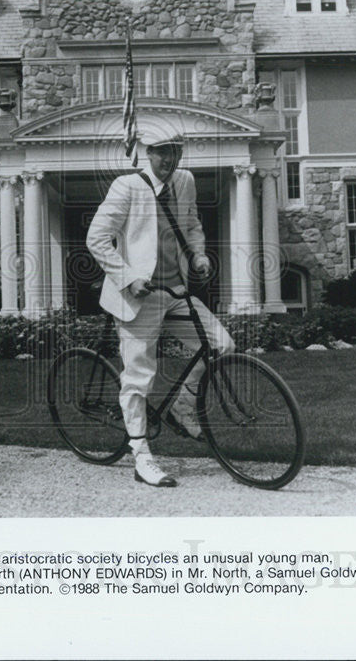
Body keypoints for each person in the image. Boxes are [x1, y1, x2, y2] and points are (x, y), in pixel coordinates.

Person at [86, 134, 235, 487]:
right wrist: (127, 278)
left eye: (175, 152)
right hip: (139, 296)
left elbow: (192, 225)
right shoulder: (127, 187)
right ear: (147, 153)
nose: (169, 159)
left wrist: (198, 255)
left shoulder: (185, 181)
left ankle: (183, 405)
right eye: (162, 152)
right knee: (139, 378)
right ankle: (141, 455)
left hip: (175, 291)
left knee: (221, 345)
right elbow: (96, 237)